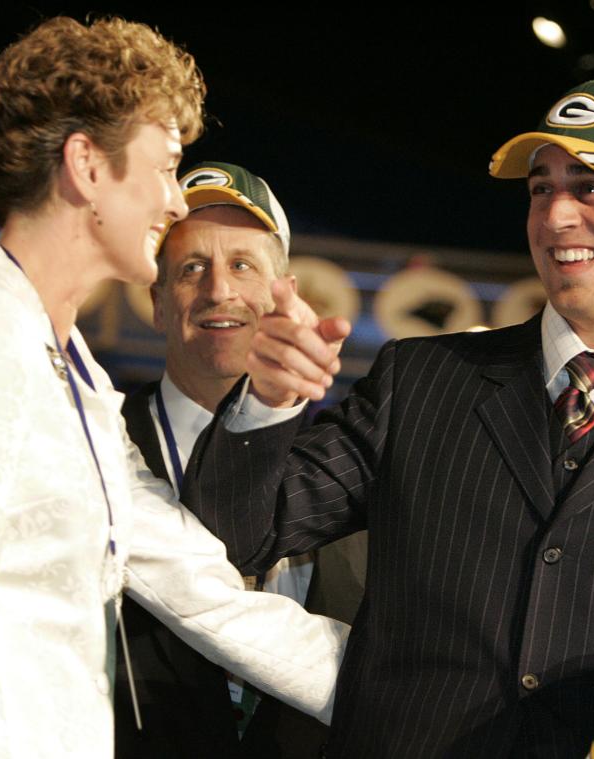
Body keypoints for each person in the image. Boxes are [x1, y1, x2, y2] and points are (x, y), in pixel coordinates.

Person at [185, 80, 594, 757]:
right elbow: (237, 531)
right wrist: (267, 399)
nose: (556, 215)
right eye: (541, 188)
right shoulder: (416, 380)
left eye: (591, 187)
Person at [0, 18, 346, 759]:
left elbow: (203, 591)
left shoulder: (77, 374)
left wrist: (422, 684)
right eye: (163, 166)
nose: (175, 202)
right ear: (87, 166)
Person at [115, 162, 366, 758]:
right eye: (192, 269)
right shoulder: (97, 440)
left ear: (286, 293)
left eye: (243, 266)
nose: (219, 290)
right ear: (156, 302)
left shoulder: (353, 455)